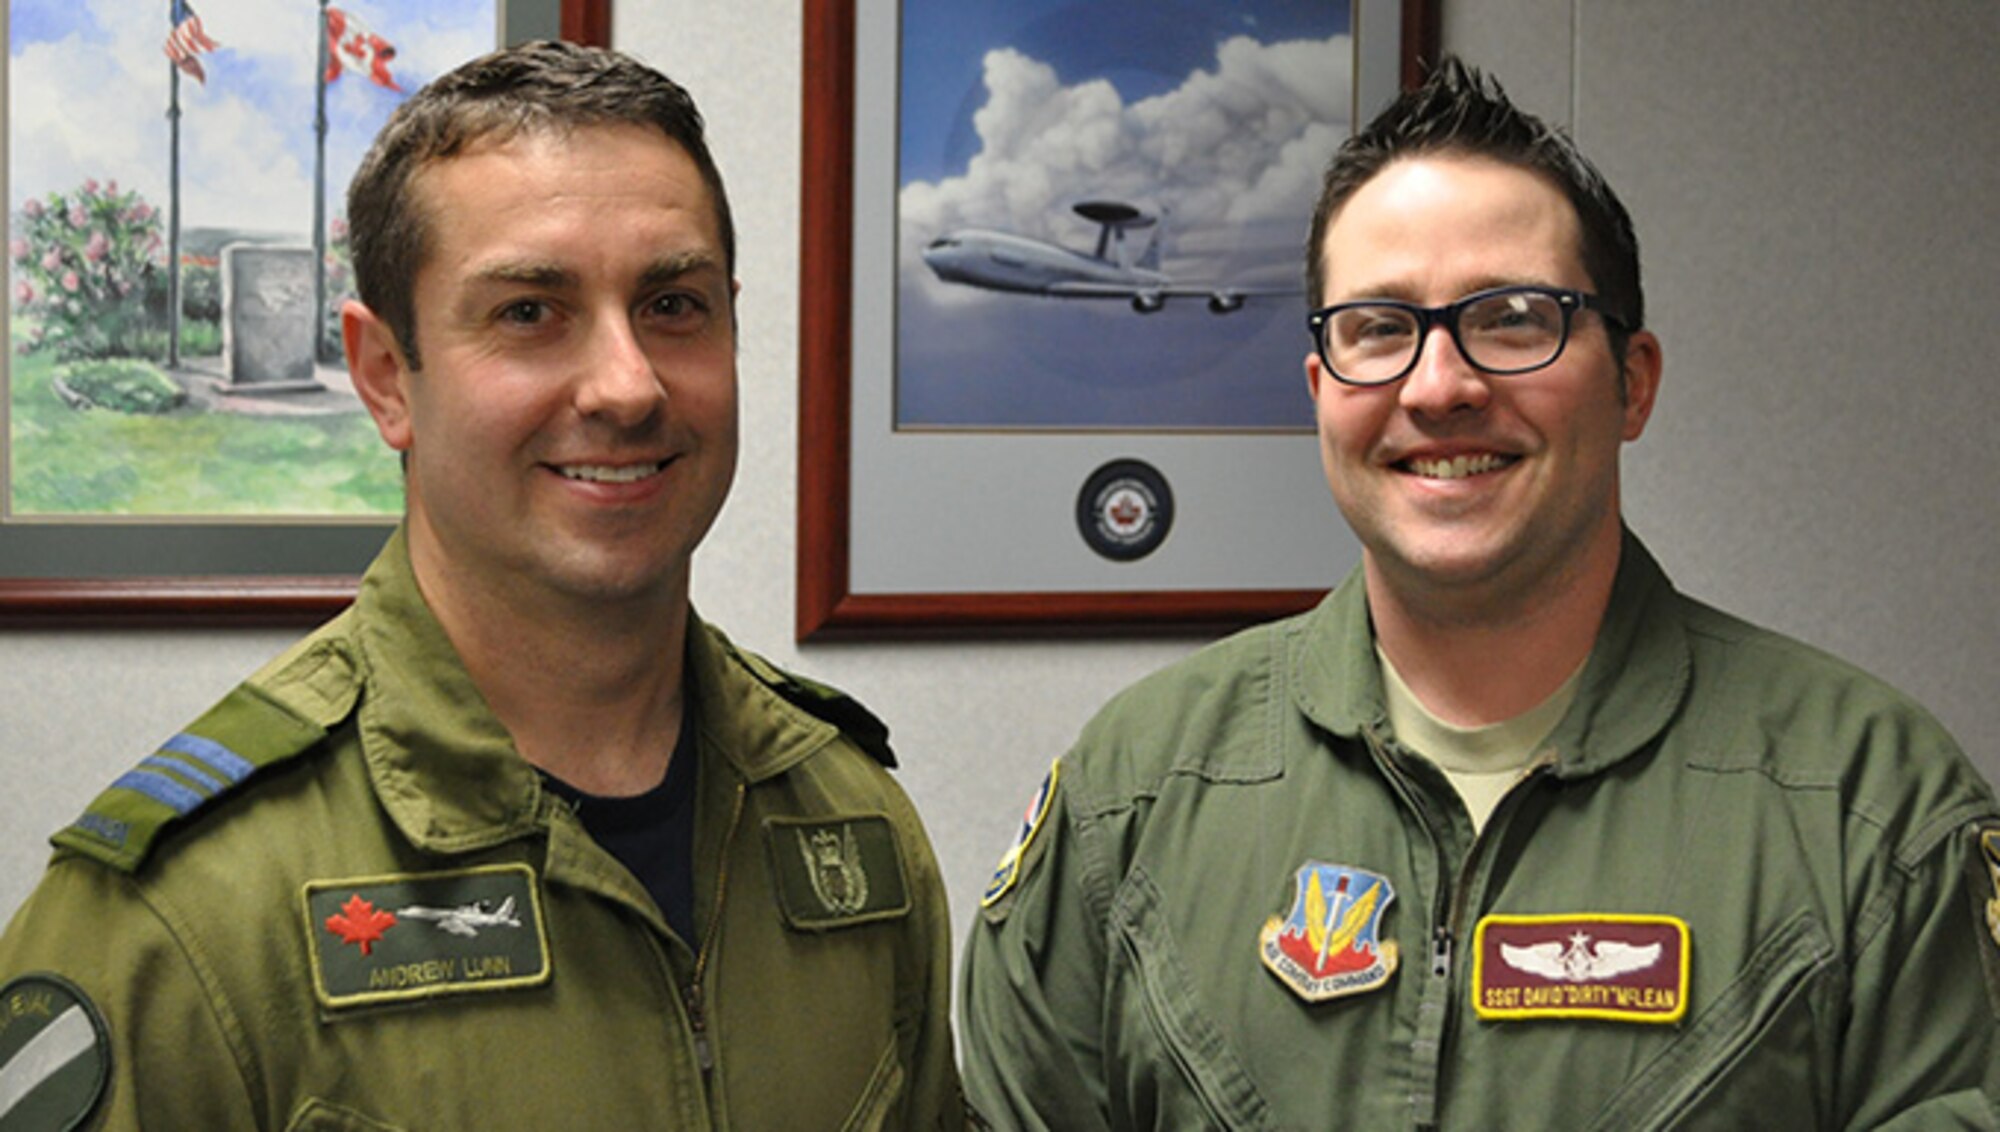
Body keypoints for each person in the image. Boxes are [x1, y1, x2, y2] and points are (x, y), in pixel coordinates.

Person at [959, 57, 2000, 1130]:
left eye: (1510, 317)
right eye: (1376, 328)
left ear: (1630, 381)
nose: (1437, 385)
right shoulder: (1130, 797)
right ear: (1320, 392)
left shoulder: (1870, 809)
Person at [0, 42, 961, 1130]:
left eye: (674, 305)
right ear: (383, 378)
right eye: (527, 312)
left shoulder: (850, 821)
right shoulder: (180, 912)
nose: (627, 385)